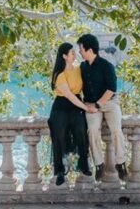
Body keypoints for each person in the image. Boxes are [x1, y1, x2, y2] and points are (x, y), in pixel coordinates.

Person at [77, 33, 127, 181]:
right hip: (91, 105)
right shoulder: (82, 67)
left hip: (109, 103)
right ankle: (99, 164)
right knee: (92, 130)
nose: (79, 51)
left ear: (89, 50)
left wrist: (98, 105)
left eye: (81, 49)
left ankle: (121, 163)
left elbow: (111, 89)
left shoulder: (107, 66)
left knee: (116, 130)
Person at [48, 42, 94, 186]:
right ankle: (60, 170)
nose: (75, 54)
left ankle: (83, 163)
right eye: (72, 53)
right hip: (62, 104)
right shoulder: (58, 74)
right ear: (64, 56)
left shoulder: (78, 69)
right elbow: (68, 95)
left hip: (76, 104)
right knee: (59, 130)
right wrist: (86, 108)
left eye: (75, 52)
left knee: (80, 127)